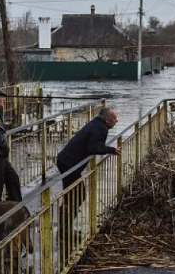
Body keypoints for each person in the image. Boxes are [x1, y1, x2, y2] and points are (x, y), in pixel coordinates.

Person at [57, 107, 121, 262]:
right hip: (69, 164)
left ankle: (65, 229)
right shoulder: (101, 129)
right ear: (107, 120)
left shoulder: (96, 124)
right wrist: (112, 150)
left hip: (66, 161)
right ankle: (64, 231)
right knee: (77, 195)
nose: (116, 121)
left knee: (74, 195)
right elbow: (93, 148)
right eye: (115, 119)